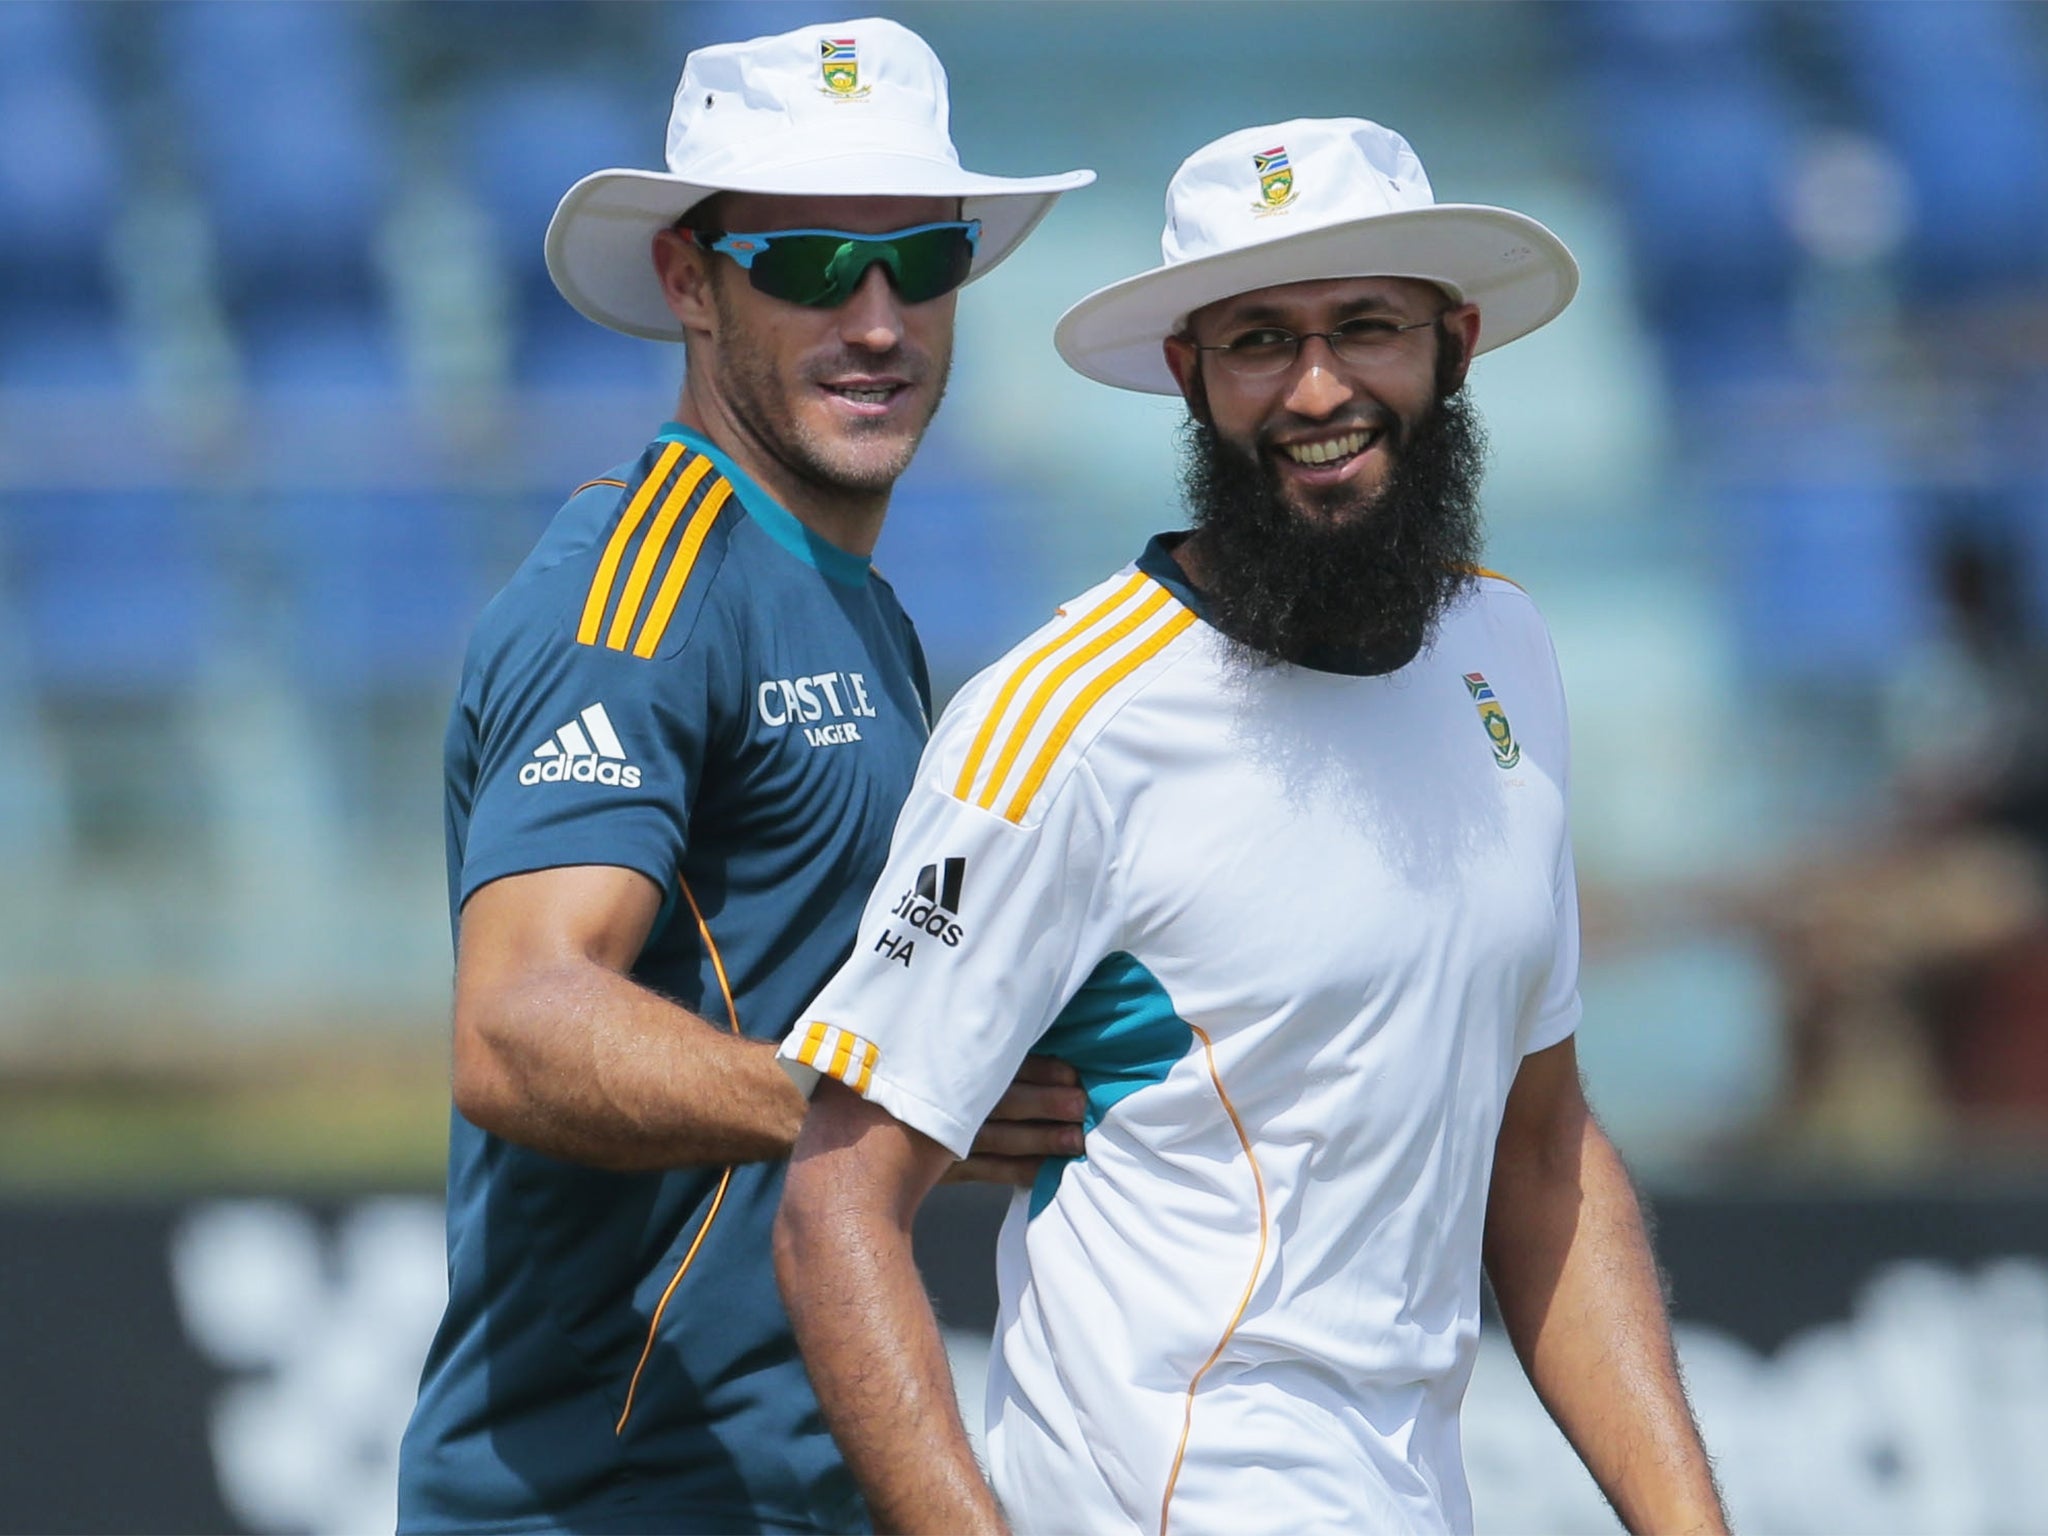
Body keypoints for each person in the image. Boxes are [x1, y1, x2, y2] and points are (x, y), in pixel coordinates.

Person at [773, 118, 1729, 1535]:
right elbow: (836, 1203)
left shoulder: (1504, 648)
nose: (1318, 388)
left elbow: (1541, 1149)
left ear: (1455, 345)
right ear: (1190, 376)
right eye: (1259, 342)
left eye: (1365, 328)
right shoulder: (1066, 720)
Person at [396, 18, 1093, 1535]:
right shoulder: (637, 586)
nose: (879, 316)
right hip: (604, 1498)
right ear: (688, 282)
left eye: (922, 256)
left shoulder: (864, 609)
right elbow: (514, 1026)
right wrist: (888, 1108)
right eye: (806, 261)